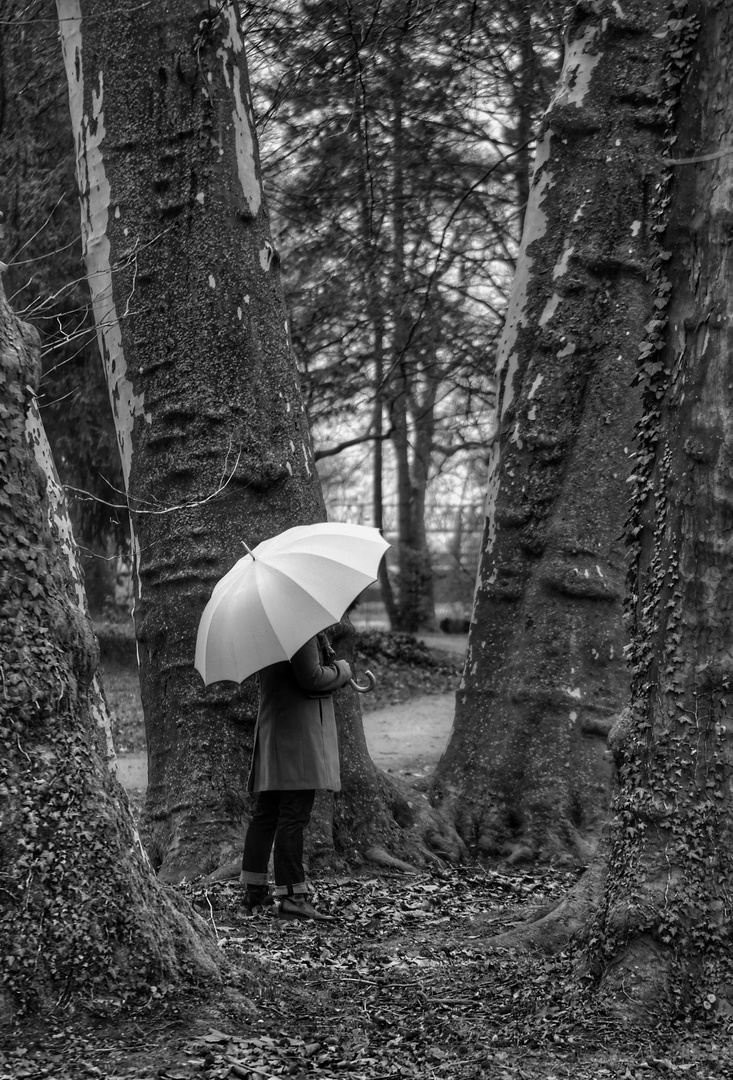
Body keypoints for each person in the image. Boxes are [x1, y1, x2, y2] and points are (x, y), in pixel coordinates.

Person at [240, 631, 352, 921]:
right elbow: (311, 678)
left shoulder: (270, 631)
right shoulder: (299, 632)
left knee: (267, 814)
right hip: (296, 738)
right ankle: (292, 897)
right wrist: (342, 669)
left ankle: (254, 891)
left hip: (277, 730)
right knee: (293, 816)